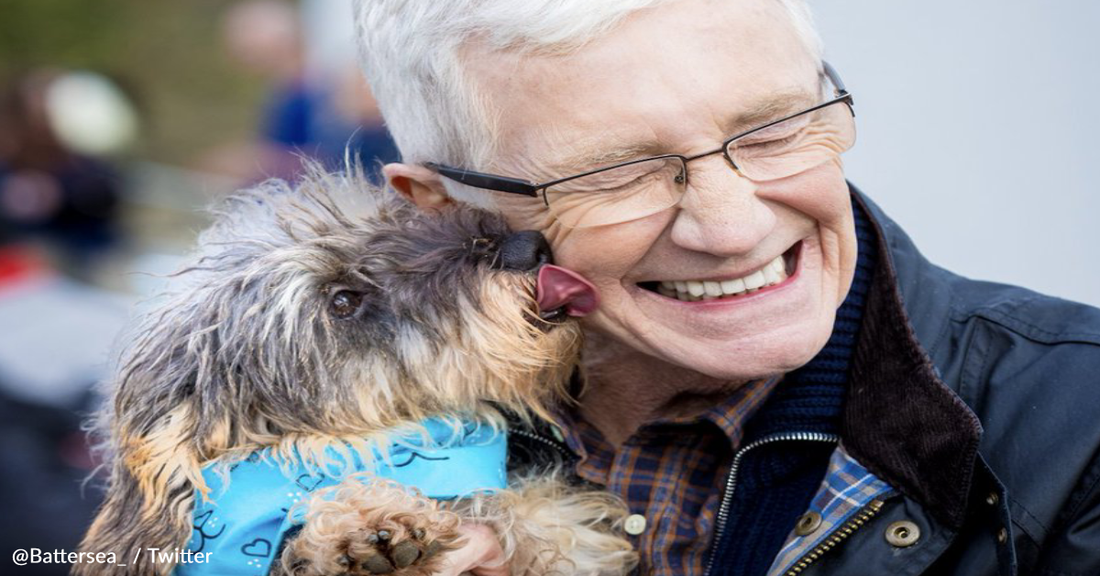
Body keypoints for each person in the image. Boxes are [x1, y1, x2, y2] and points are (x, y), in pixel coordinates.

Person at [351, 1, 1100, 574]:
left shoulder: (1081, 427)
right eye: (616, 173)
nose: (733, 227)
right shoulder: (320, 435)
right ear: (445, 210)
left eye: (775, 129)